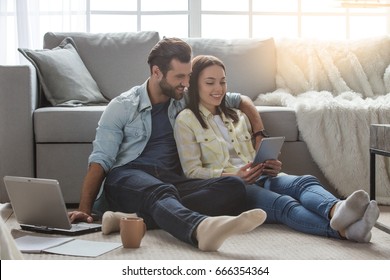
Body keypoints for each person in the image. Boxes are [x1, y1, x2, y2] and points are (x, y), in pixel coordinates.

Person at [68, 38, 268, 252]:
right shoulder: (122, 106)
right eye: (179, 77)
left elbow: (241, 100)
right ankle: (200, 228)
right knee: (160, 191)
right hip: (128, 176)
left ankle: (131, 219)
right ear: (157, 72)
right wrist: (84, 210)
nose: (186, 83)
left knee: (233, 186)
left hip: (171, 180)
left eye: (189, 75)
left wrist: (258, 134)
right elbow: (100, 160)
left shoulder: (182, 97)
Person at [174, 55, 380, 243]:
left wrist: (267, 164)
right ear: (194, 85)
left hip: (261, 175)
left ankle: (337, 209)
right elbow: (191, 171)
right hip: (234, 187)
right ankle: (345, 231)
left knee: (304, 182)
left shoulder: (237, 115)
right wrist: (234, 175)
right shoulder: (186, 120)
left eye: (222, 81)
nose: (218, 88)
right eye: (210, 83)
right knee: (283, 204)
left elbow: (250, 154)